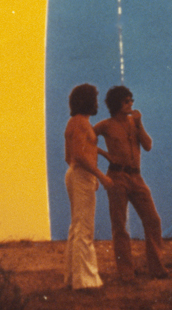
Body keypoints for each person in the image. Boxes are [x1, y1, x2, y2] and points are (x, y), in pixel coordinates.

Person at [94, 85, 168, 281]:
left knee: (153, 220)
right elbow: (86, 139)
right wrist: (104, 154)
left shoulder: (134, 123)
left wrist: (139, 124)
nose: (131, 104)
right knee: (119, 225)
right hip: (116, 177)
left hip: (136, 177)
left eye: (131, 100)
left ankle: (157, 268)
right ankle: (126, 273)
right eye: (126, 101)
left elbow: (148, 145)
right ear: (117, 104)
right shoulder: (106, 125)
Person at [63, 83, 114, 290]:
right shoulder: (80, 123)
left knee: (77, 226)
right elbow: (78, 155)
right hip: (81, 175)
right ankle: (85, 281)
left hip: (78, 174)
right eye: (94, 98)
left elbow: (72, 155)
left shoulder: (75, 122)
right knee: (84, 228)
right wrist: (100, 175)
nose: (96, 103)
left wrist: (101, 154)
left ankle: (74, 277)